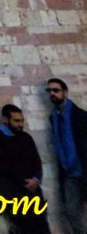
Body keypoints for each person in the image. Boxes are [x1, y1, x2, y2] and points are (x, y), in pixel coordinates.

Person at [0, 104, 48, 234]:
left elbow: (36, 161)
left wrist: (36, 180)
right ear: (5, 120)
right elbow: (1, 166)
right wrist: (23, 181)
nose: (20, 124)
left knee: (41, 225)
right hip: (12, 190)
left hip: (32, 190)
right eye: (16, 121)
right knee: (24, 226)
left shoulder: (26, 138)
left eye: (22, 121)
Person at [48, 78, 87, 234]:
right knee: (71, 211)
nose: (52, 94)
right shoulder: (54, 118)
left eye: (56, 90)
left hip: (84, 168)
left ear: (65, 92)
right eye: (49, 91)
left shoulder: (81, 116)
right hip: (69, 174)